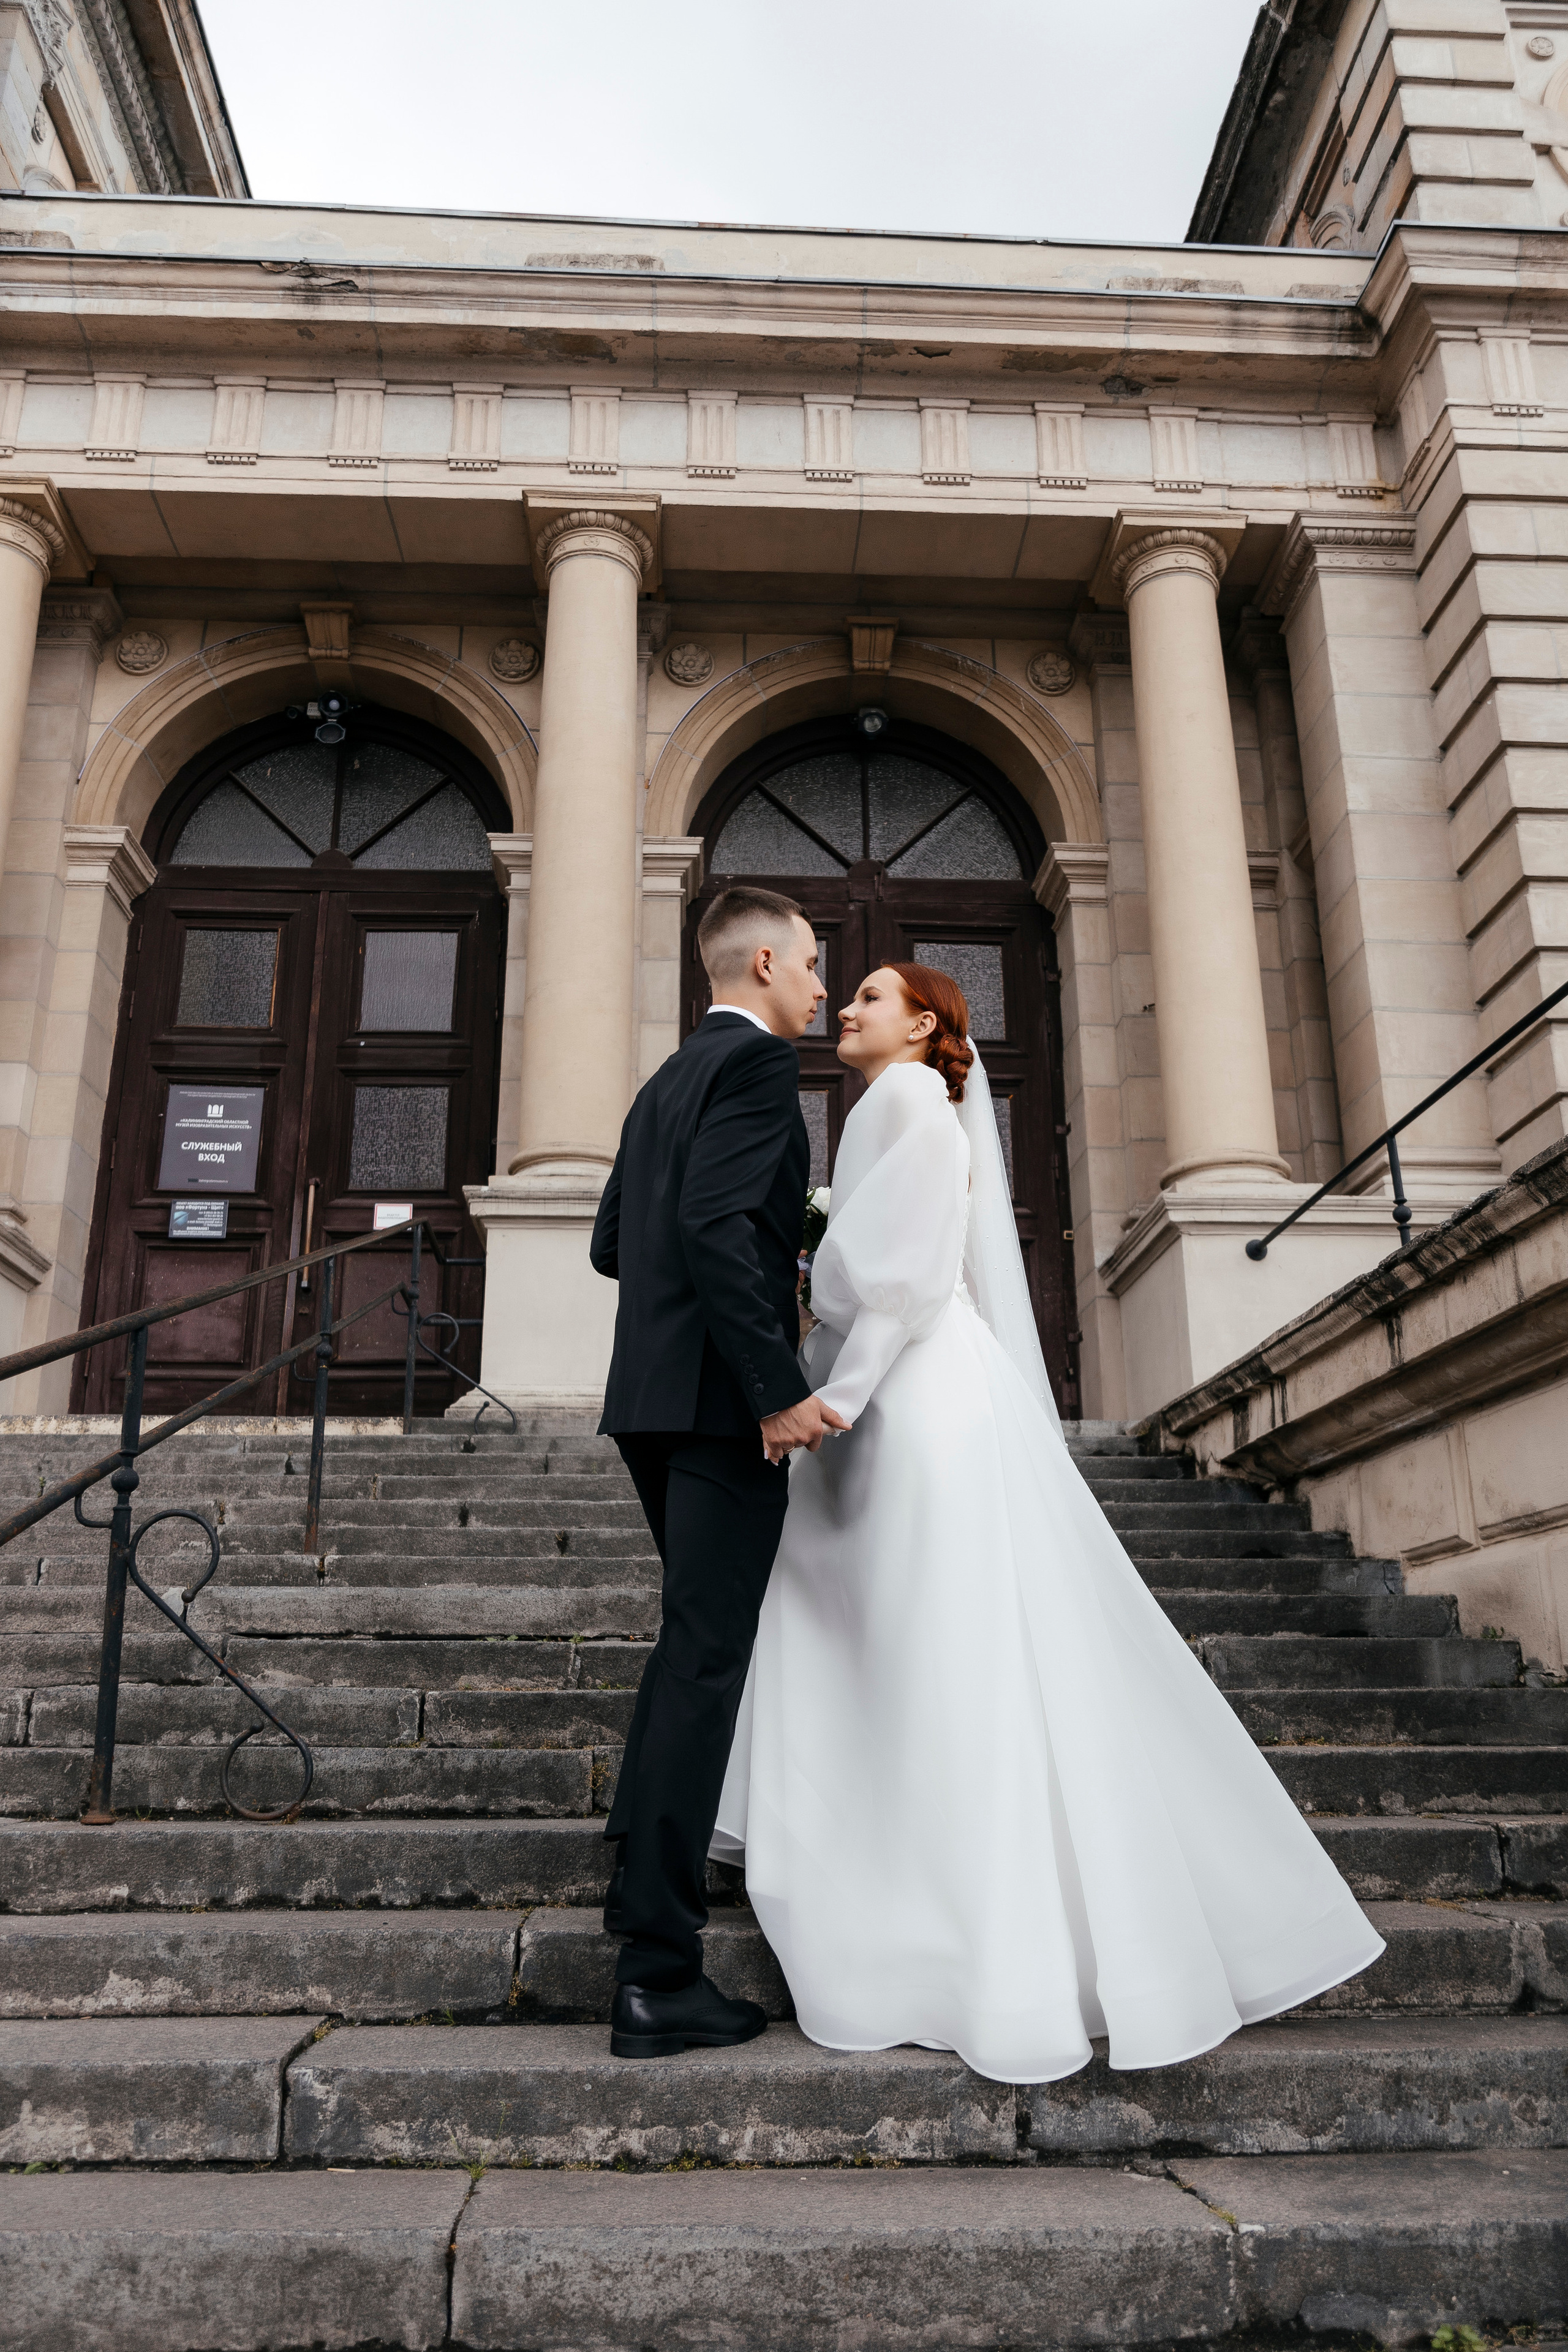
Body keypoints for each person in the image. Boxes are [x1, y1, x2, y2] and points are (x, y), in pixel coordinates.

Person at [714, 961, 1385, 2085]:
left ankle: (942, 1909)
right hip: (902, 1401)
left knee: (924, 1647)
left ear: (924, 1025)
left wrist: (841, 1394)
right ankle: (928, 1884)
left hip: (908, 1405)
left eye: (872, 998)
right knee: (917, 1643)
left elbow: (903, 1280)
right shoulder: (899, 1106)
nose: (849, 1010)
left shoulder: (909, 1102)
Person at [589, 886, 850, 2060]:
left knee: (684, 1647)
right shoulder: (754, 1074)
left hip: (649, 1399)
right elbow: (709, 1226)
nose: (822, 986)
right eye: (809, 963)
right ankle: (657, 1968)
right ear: (756, 963)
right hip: (716, 1409)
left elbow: (614, 1242)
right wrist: (774, 1389)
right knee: (705, 1660)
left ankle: (634, 1870)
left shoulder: (662, 1084)